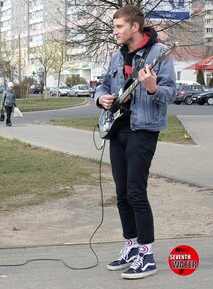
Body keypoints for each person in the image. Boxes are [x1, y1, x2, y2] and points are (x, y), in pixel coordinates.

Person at [95, 5, 176, 280]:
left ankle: (147, 255)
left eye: (118, 27)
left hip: (143, 130)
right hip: (118, 129)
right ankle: (130, 246)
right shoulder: (117, 55)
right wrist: (101, 98)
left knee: (136, 193)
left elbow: (170, 93)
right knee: (122, 195)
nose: (114, 31)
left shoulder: (158, 53)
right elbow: (104, 85)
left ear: (134, 27)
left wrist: (152, 87)